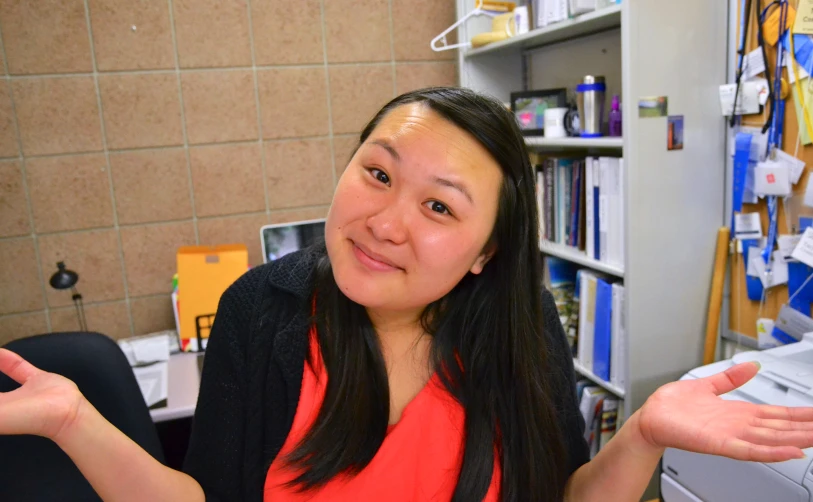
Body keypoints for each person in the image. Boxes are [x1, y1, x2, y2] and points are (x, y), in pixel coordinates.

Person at [1, 87, 812, 502]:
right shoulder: (262, 310)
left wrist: (640, 435)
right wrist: (73, 420)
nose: (383, 221)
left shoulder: (520, 321)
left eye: (437, 207)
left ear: (484, 253)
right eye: (377, 172)